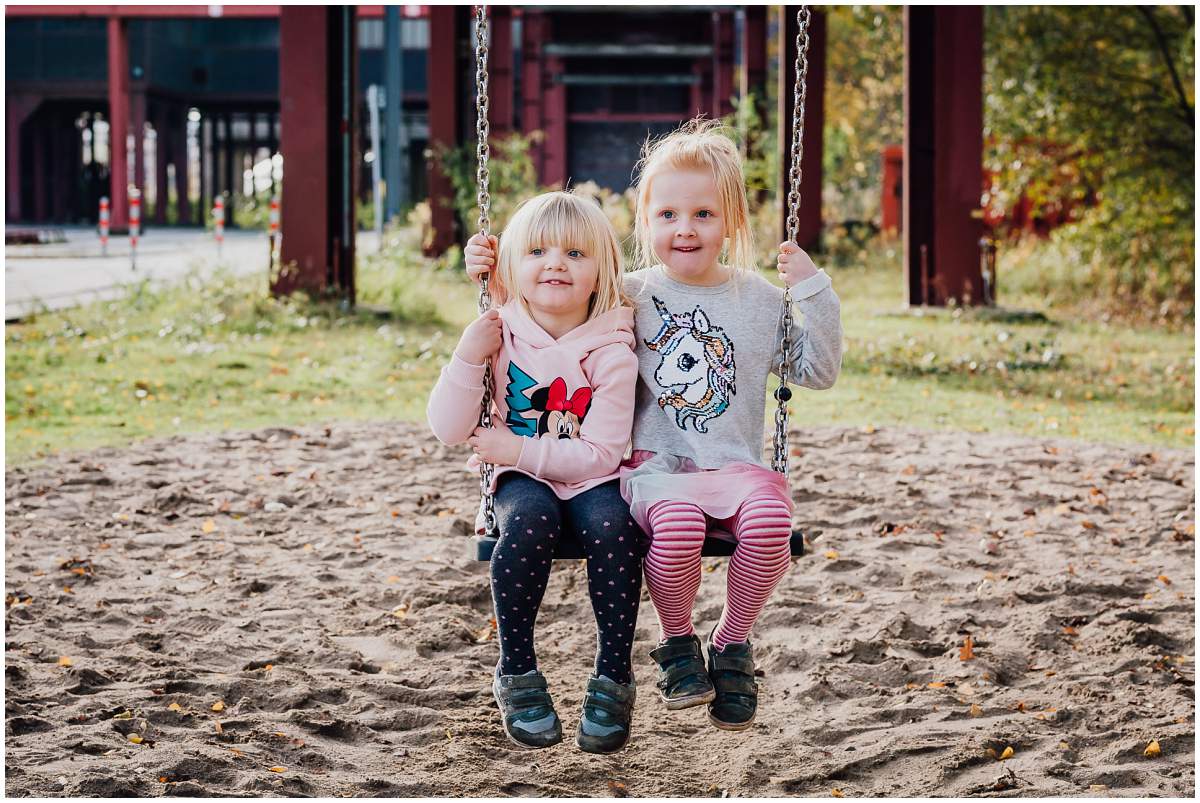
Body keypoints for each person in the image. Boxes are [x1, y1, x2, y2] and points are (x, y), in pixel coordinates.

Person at [465, 118, 843, 732]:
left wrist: (813, 292)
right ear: (645, 222)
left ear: (733, 222)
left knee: (773, 523)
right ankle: (677, 644)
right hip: (654, 470)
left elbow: (817, 369)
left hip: (738, 466)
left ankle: (730, 643)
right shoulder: (626, 293)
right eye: (667, 214)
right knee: (675, 531)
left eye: (703, 214)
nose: (685, 228)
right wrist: (489, 275)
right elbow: (548, 299)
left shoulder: (761, 301)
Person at [429, 191, 643, 753]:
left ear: (601, 272)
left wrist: (515, 449)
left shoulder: (614, 352)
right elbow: (450, 430)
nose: (555, 263)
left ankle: (614, 674)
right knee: (529, 520)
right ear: (510, 268)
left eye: (575, 253)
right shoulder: (497, 330)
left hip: (589, 474)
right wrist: (468, 355)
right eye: (539, 251)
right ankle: (517, 669)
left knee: (616, 529)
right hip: (522, 481)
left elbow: (600, 454)